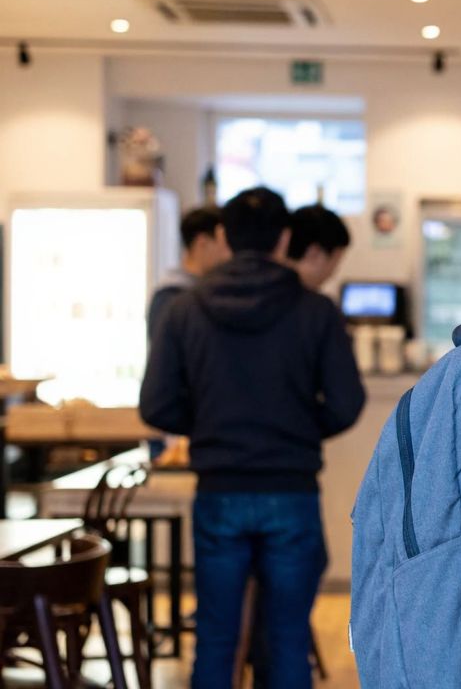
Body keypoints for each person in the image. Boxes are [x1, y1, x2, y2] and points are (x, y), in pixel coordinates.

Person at [138, 187, 366, 689]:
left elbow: (155, 406)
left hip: (218, 489)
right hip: (292, 490)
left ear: (223, 235)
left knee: (217, 637)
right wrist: (302, 430)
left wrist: (207, 428)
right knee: (286, 639)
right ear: (284, 237)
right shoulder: (316, 311)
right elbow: (348, 403)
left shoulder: (185, 309)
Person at [148, 207, 230, 337]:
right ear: (202, 243)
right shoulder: (170, 296)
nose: (228, 254)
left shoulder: (198, 290)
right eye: (225, 244)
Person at [284, 204, 350, 290]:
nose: (331, 275)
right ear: (314, 253)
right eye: (334, 264)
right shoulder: (314, 302)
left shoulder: (265, 284)